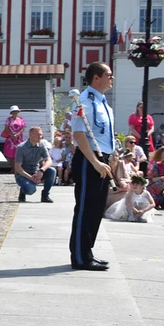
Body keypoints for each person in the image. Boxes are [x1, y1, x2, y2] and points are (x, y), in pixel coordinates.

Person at [69, 62, 115, 272]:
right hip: (90, 159)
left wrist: (109, 158)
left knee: (96, 209)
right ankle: (80, 256)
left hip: (101, 158)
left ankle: (87, 252)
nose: (112, 79)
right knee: (86, 208)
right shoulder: (85, 101)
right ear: (96, 78)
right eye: (109, 75)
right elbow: (79, 135)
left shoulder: (102, 102)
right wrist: (95, 162)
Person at [14, 126, 56, 203]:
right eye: (38, 135)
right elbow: (18, 168)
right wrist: (31, 178)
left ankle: (45, 195)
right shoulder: (21, 148)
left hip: (35, 172)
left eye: (41, 135)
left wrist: (41, 171)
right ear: (30, 135)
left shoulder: (42, 145)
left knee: (52, 171)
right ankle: (23, 191)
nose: (40, 137)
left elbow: (49, 161)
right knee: (31, 190)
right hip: (23, 174)